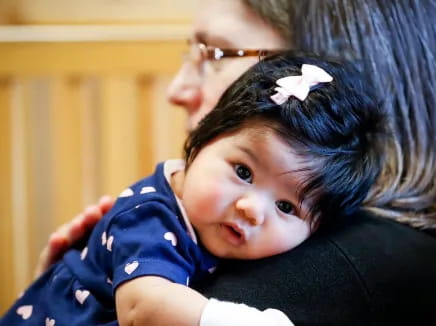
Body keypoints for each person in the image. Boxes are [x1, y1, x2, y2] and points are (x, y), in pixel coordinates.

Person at [35, 0, 436, 325]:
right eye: (243, 173)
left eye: (216, 54)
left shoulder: (323, 276)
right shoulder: (403, 251)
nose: (177, 89)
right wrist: (74, 292)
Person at [2, 53, 389, 326]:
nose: (253, 209)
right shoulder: (151, 215)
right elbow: (144, 309)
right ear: (202, 140)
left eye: (287, 207)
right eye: (243, 171)